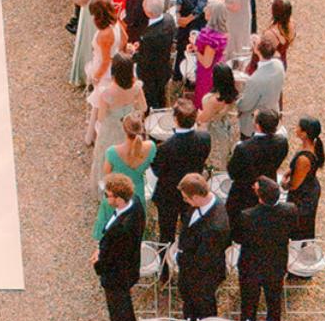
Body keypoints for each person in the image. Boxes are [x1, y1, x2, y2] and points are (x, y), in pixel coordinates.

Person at [92, 173, 145, 321]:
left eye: (108, 195)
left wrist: (98, 261)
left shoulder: (122, 229)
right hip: (127, 267)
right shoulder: (135, 203)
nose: (106, 198)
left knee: (119, 311)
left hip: (117, 275)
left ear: (119, 198)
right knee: (123, 309)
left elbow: (113, 257)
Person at [238, 177, 297, 321]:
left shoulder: (247, 216)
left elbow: (239, 238)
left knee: (249, 304)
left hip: (251, 266)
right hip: (276, 263)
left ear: (260, 196)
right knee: (274, 301)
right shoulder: (290, 210)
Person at [151, 97, 211, 248]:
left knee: (166, 233)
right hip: (193, 192)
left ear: (175, 120)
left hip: (168, 195)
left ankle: (164, 267)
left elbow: (157, 171)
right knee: (190, 228)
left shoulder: (165, 147)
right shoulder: (205, 138)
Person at [226, 108, 289, 240]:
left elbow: (232, 172)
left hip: (243, 192)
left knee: (237, 225)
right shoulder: (282, 143)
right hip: (268, 184)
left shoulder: (243, 148)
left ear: (257, 125)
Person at [92, 114, 156, 239]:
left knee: (111, 230)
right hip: (137, 192)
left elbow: (106, 175)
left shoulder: (112, 152)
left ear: (124, 129)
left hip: (117, 193)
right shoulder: (151, 147)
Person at [176, 172, 230, 320]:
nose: (184, 201)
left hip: (203, 275)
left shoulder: (215, 227)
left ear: (196, 197)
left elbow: (203, 259)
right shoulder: (207, 199)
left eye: (186, 198)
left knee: (203, 307)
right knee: (189, 303)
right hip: (191, 267)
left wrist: (181, 258)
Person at [89, 54, 147, 189]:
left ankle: (105, 188)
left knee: (106, 157)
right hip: (129, 128)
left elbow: (101, 117)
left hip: (111, 129)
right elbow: (143, 107)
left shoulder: (106, 92)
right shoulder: (136, 87)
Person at [68, 0, 122, 88]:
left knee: (87, 40)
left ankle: (86, 75)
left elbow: (82, 1)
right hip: (106, 5)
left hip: (91, 12)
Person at [283, 117, 325, 239]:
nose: (295, 129)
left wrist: (284, 184)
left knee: (300, 225)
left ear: (305, 134)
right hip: (309, 185)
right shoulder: (310, 146)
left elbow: (294, 185)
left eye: (298, 128)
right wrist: (289, 171)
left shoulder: (304, 159)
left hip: (303, 195)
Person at [236, 35, 286, 137]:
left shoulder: (255, 80)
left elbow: (245, 105)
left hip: (255, 123)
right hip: (273, 112)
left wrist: (236, 101)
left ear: (257, 51)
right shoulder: (279, 65)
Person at [133, 0, 175, 110]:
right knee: (161, 95)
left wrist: (132, 54)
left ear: (149, 13)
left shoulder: (150, 36)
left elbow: (144, 59)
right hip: (164, 67)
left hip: (150, 74)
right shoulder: (169, 19)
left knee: (150, 100)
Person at [195, 62, 239, 169]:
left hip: (216, 131)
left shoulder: (213, 100)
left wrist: (197, 114)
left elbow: (204, 118)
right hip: (229, 128)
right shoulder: (233, 94)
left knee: (215, 160)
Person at [190, 0, 228, 110]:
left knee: (204, 101)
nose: (205, 9)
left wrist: (195, 48)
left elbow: (206, 63)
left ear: (212, 14)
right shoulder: (223, 31)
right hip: (217, 68)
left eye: (207, 8)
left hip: (207, 74)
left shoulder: (210, 38)